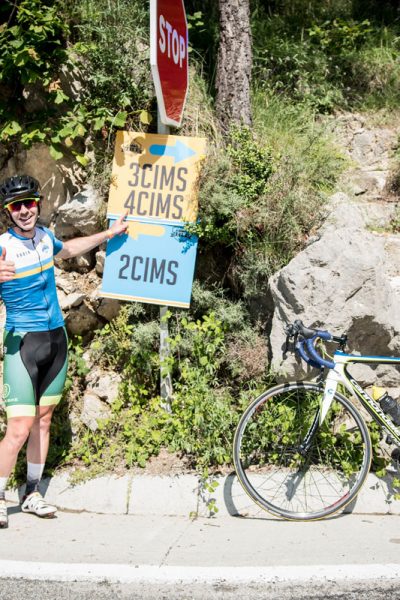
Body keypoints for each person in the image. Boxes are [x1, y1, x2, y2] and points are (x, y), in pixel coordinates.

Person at [0, 174, 128, 528]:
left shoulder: (44, 238)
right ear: (8, 212)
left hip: (56, 341)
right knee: (19, 427)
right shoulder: (3, 247)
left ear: (38, 204)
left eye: (29, 203)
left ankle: (31, 493)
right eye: (16, 206)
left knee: (43, 420)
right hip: (22, 344)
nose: (24, 211)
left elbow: (69, 249)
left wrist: (109, 234)